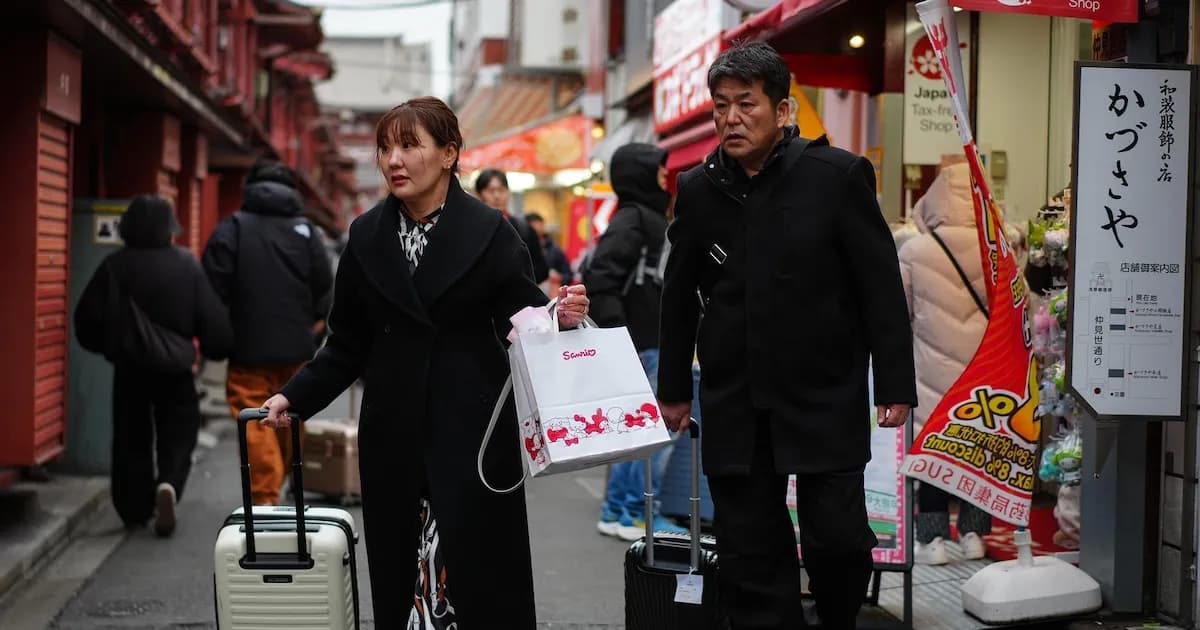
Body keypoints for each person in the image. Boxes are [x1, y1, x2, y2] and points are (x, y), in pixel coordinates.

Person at [255, 97, 590, 628]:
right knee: (402, 575)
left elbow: (527, 322)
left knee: (479, 582)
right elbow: (346, 344)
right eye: (386, 148)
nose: (394, 160)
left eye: (410, 146)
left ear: (450, 153)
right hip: (394, 435)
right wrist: (295, 396)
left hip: (473, 436)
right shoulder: (366, 236)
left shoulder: (492, 232)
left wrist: (562, 317)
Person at [656, 42, 916, 629]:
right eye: (721, 106)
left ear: (782, 109)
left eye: (746, 104)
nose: (731, 118)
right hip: (735, 396)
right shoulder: (698, 188)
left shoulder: (837, 176)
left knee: (839, 541)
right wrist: (672, 387)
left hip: (824, 393)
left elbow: (879, 287)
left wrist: (894, 383)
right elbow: (677, 298)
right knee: (751, 548)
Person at [74, 195, 233, 536]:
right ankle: (170, 484)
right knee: (180, 430)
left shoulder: (114, 266)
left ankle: (134, 509)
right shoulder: (186, 266)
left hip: (130, 369)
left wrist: (111, 347)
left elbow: (85, 323)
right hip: (175, 370)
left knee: (131, 436)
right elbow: (215, 326)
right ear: (169, 229)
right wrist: (214, 348)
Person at [201, 159, 334, 505]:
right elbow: (326, 285)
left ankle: (264, 496)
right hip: (297, 346)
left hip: (247, 347)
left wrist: (222, 334)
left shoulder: (233, 228)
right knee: (291, 412)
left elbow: (212, 287)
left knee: (256, 417)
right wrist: (315, 324)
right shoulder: (306, 231)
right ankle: (287, 477)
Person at [581, 142, 688, 541]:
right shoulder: (634, 219)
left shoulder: (642, 217)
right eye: (658, 170)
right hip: (641, 343)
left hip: (646, 341)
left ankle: (624, 510)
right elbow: (602, 278)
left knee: (641, 432)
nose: (666, 177)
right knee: (647, 433)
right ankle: (631, 513)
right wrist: (619, 338)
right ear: (640, 173)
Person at [899, 162, 993, 565]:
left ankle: (933, 540)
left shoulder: (915, 250)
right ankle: (973, 534)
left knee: (933, 452)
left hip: (930, 371)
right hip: (983, 371)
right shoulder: (994, 247)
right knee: (977, 450)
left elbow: (897, 311)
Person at [475, 168, 551, 285]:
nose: (497, 196)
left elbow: (541, 269)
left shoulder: (524, 228)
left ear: (508, 192)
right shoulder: (473, 229)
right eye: (490, 190)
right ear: (479, 194)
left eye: (501, 190)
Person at [525, 212, 574, 287]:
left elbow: (569, 275)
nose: (536, 229)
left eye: (539, 225)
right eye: (532, 226)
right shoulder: (523, 249)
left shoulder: (555, 250)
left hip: (552, 292)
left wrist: (559, 278)